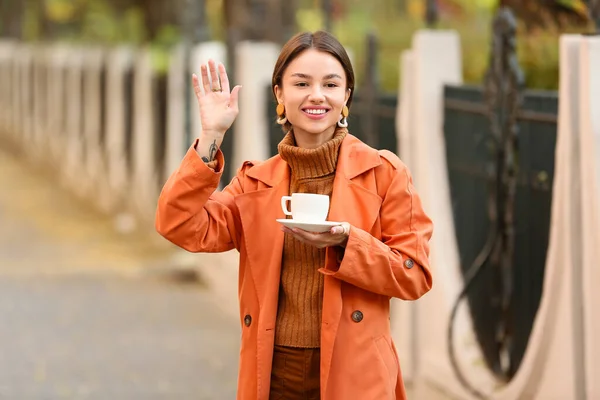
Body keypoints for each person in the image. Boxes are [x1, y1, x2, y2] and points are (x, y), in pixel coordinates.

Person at [155, 30, 433, 400]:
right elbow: (180, 225)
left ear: (346, 96)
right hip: (274, 375)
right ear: (280, 95)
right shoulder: (255, 183)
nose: (317, 95)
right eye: (301, 83)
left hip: (357, 374)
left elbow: (414, 274)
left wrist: (348, 241)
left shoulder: (384, 174)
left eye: (331, 84)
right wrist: (210, 136)